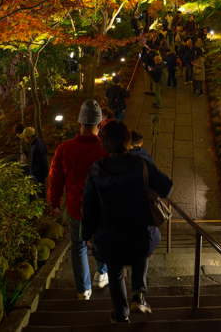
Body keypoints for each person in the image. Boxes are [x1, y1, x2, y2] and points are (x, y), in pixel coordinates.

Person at [81, 121, 173, 323]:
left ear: (105, 143)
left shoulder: (96, 169)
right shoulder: (140, 164)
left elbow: (88, 206)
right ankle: (139, 295)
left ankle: (121, 313)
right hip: (140, 234)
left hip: (109, 236)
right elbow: (166, 187)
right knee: (141, 248)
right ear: (127, 141)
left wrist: (86, 235)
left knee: (115, 272)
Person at [48, 100, 110, 300]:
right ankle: (102, 274)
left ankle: (83, 290)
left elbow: (55, 179)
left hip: (77, 209)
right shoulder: (107, 150)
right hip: (102, 210)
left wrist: (54, 202)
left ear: (78, 123)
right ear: (100, 124)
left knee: (78, 246)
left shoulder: (64, 149)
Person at [20, 126, 48, 198]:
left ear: (30, 137)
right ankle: (41, 204)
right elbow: (46, 150)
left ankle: (40, 205)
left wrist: (33, 173)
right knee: (40, 190)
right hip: (41, 173)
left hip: (38, 175)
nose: (25, 140)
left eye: (25, 137)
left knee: (38, 191)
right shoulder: (38, 140)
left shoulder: (36, 147)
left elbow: (40, 164)